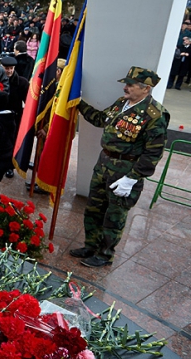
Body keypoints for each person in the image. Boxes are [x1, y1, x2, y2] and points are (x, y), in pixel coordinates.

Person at [70, 67, 169, 268]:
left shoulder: (155, 115)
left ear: (146, 89)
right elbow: (100, 119)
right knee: (94, 208)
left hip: (126, 170)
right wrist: (77, 103)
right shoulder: (121, 103)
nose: (125, 88)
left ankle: (105, 254)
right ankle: (91, 246)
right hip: (104, 163)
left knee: (114, 215)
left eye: (130, 85)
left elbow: (154, 153)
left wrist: (132, 178)